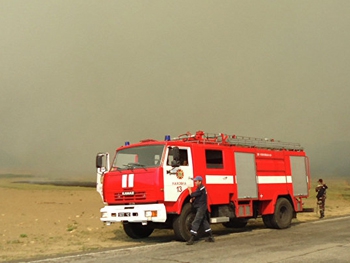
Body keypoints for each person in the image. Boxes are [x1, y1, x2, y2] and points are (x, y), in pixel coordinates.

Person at [186, 175, 214, 245]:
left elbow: (192, 194)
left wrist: (189, 190)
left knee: (196, 221)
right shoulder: (200, 188)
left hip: (201, 208)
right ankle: (210, 236)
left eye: (196, 181)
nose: (195, 182)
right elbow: (197, 196)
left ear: (200, 181)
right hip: (201, 207)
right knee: (204, 222)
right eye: (195, 181)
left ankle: (192, 238)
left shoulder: (201, 189)